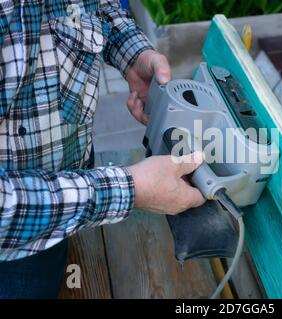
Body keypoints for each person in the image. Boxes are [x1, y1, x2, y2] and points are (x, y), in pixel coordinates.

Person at [0, 0, 205, 298]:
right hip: (14, 253)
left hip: (71, 190)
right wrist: (130, 189)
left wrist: (133, 53)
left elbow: (95, 7)